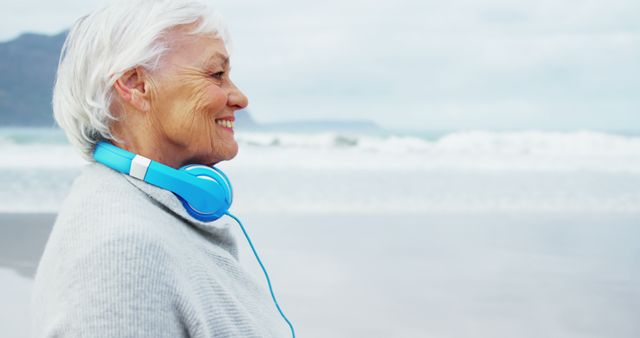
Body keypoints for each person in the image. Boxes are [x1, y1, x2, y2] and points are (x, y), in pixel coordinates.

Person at [31, 1, 292, 337]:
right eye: (216, 74)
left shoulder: (144, 215)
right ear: (137, 85)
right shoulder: (124, 254)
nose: (239, 97)